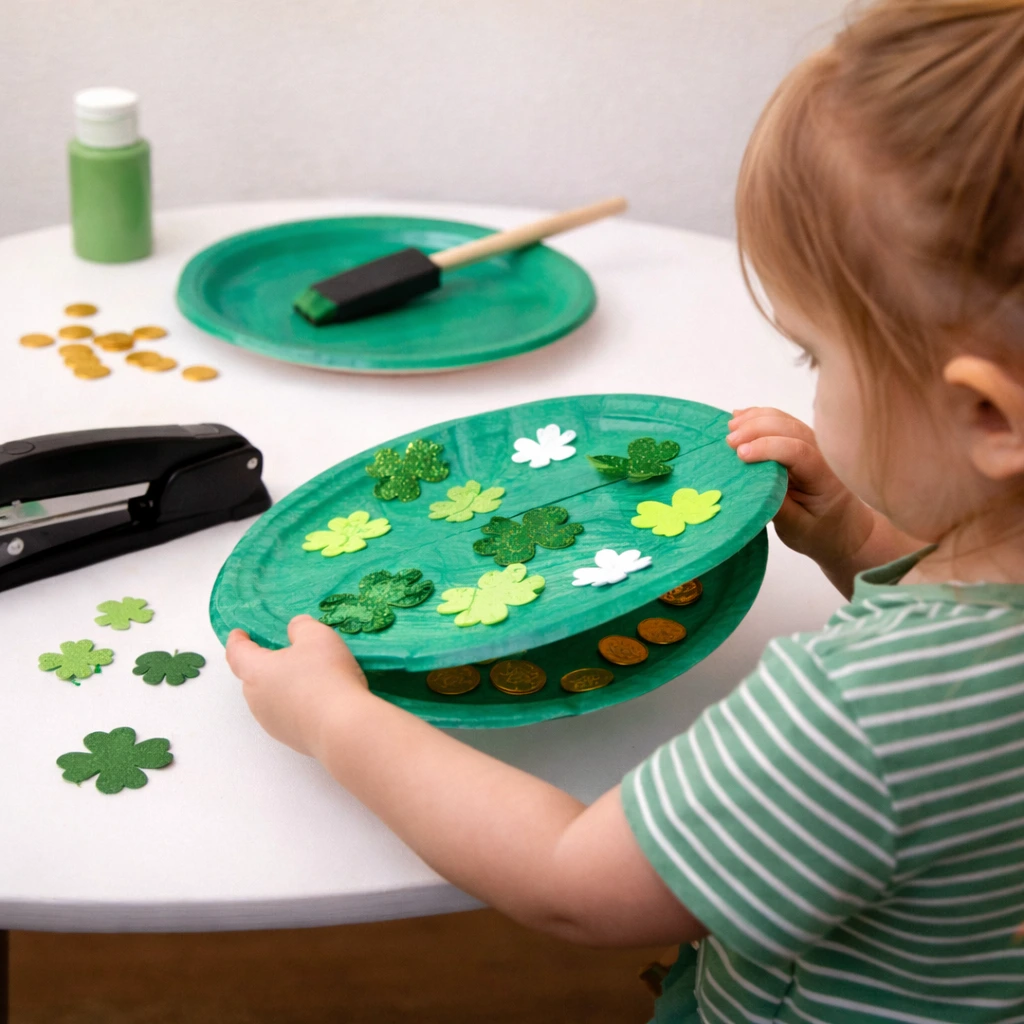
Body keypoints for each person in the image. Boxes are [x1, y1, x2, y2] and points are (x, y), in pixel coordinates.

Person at [226, 1, 1024, 1018]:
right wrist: (865, 540)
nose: (809, 382)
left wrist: (335, 721)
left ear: (988, 416)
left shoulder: (860, 714)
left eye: (816, 355)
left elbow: (575, 882)